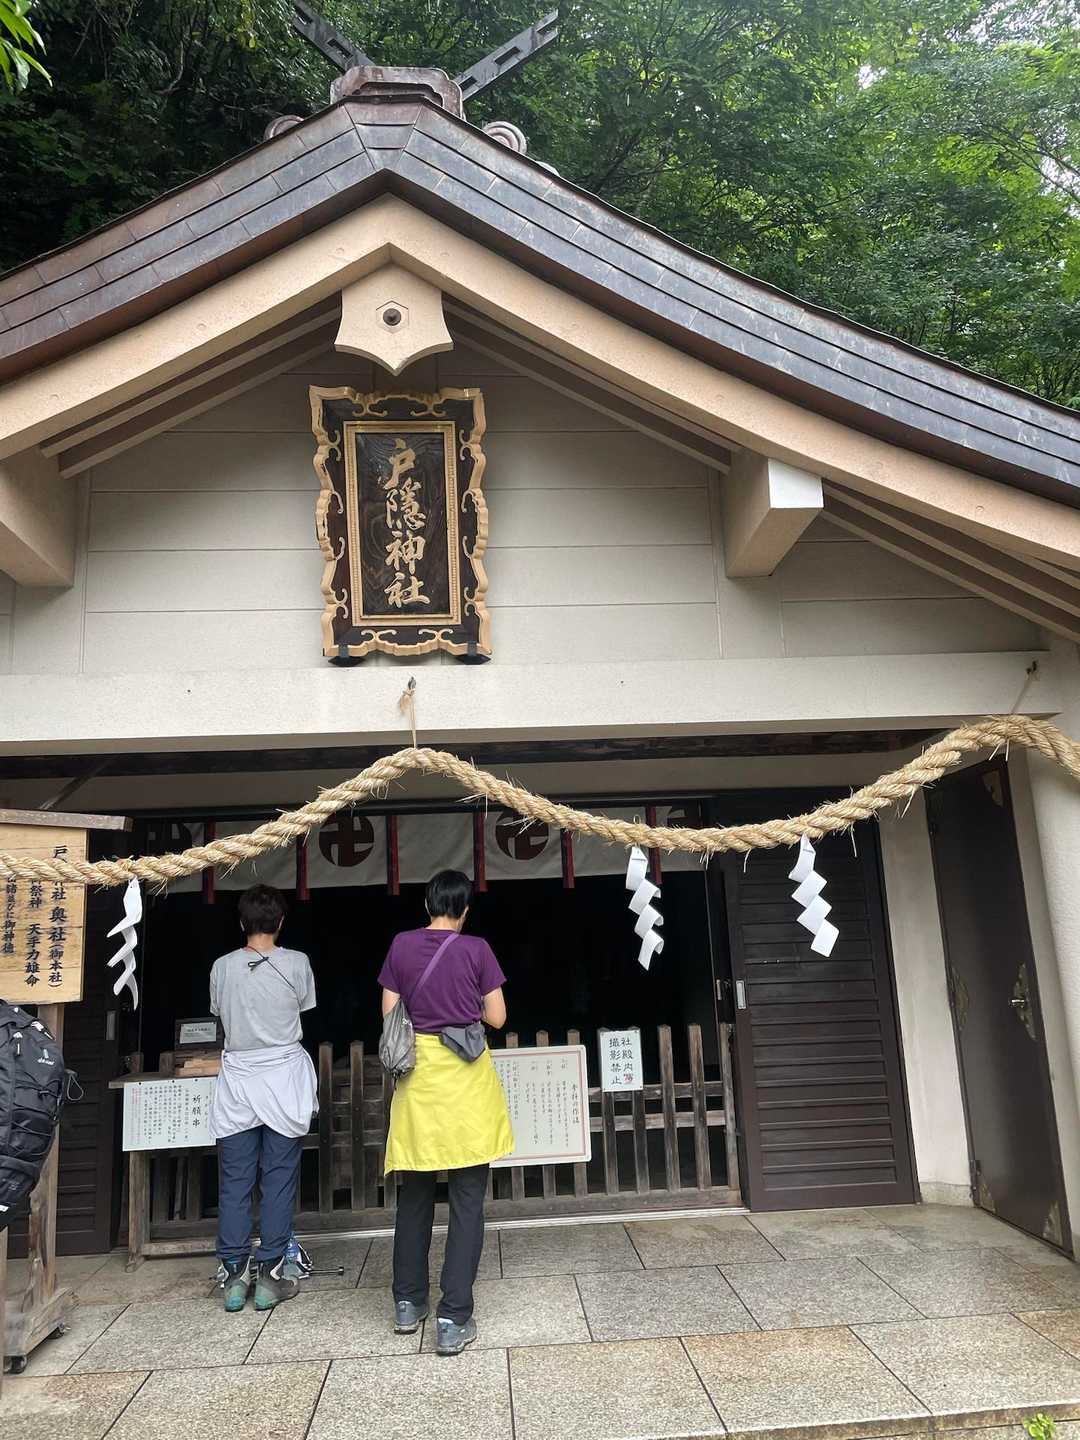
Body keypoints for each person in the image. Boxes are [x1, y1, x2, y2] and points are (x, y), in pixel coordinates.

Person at [379, 869, 513, 1356]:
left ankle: (407, 1303)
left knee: (414, 1194)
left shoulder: (400, 945)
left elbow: (389, 1013)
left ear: (428, 904)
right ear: (465, 910)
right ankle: (453, 1317)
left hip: (418, 1081)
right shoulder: (477, 949)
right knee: (467, 1199)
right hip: (465, 1083)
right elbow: (497, 1017)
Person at [209, 883, 317, 1313]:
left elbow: (218, 1013)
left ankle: (234, 1278)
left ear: (242, 923)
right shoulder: (298, 963)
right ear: (281, 921)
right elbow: (303, 1006)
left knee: (235, 1181)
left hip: (238, 1079)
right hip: (284, 1078)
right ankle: (271, 1276)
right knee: (278, 1178)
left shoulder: (222, 967)